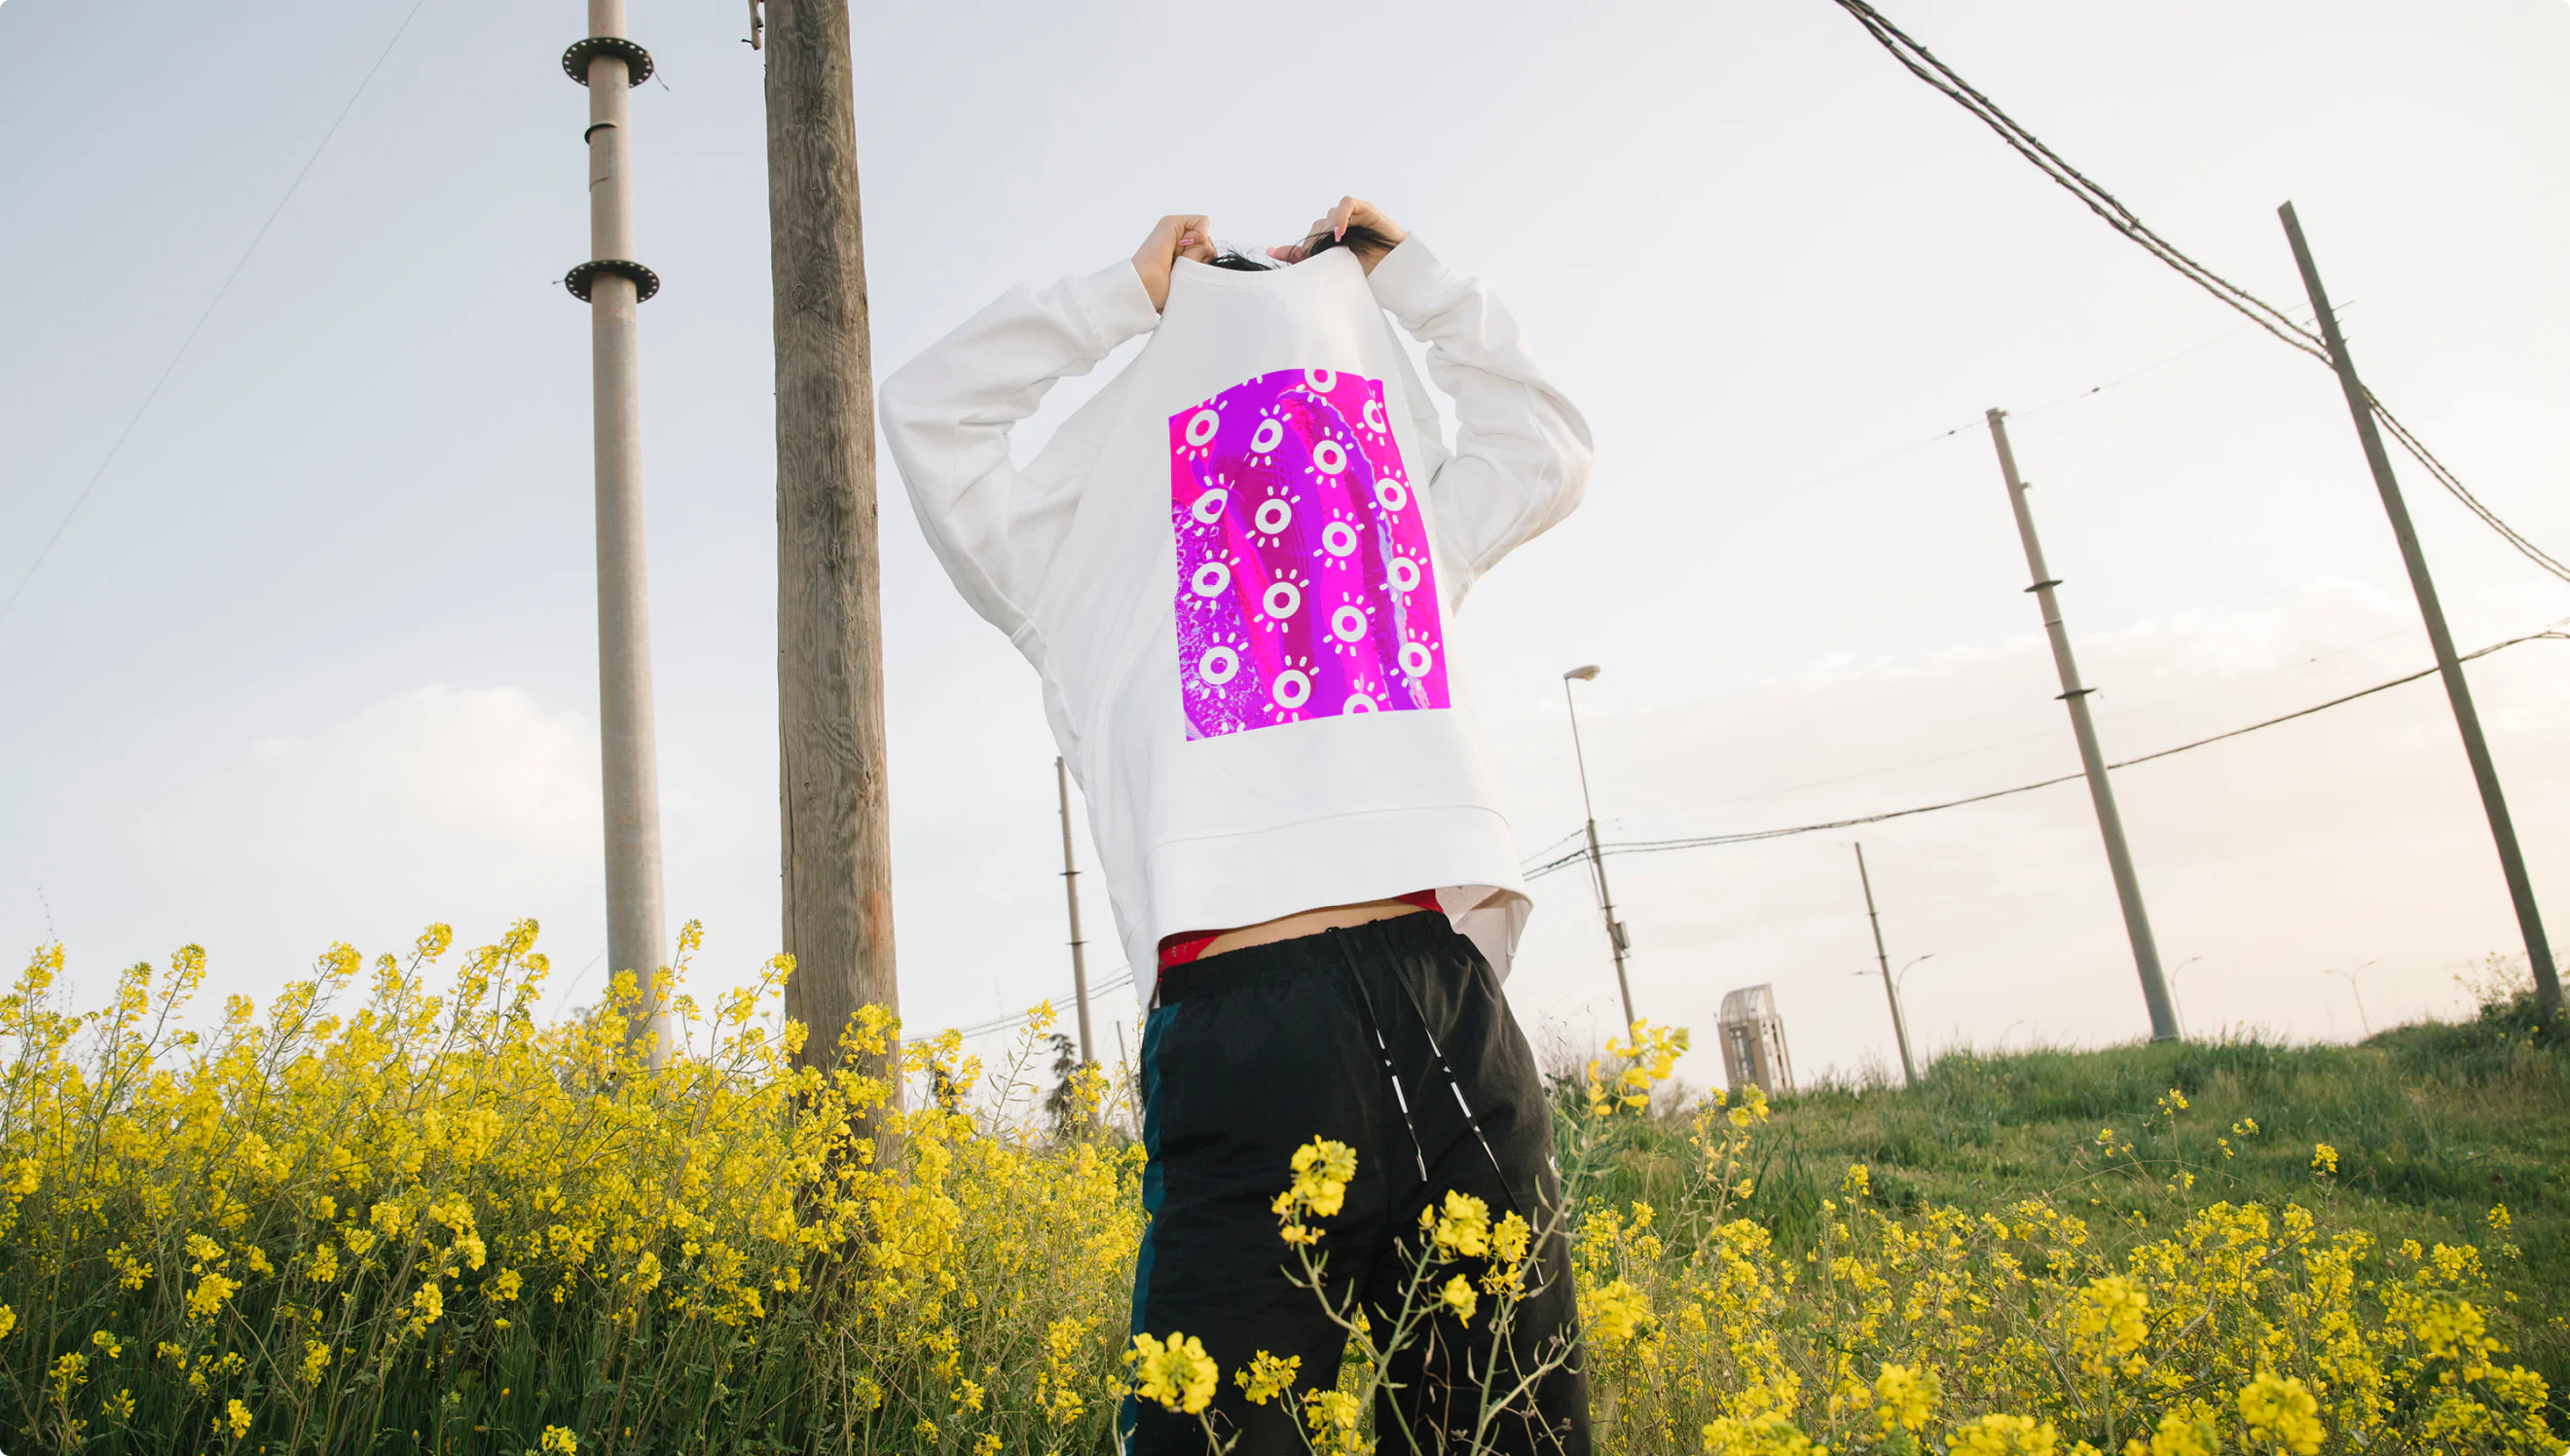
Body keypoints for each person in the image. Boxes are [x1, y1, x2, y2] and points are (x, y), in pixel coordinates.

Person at [880, 198, 1595, 1455]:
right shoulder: (1081, 557)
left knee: (1515, 1435)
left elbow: (1546, 444)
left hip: (1445, 1011)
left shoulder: (1392, 509)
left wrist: (1411, 279)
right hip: (1246, 1035)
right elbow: (927, 411)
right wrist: (1121, 296)